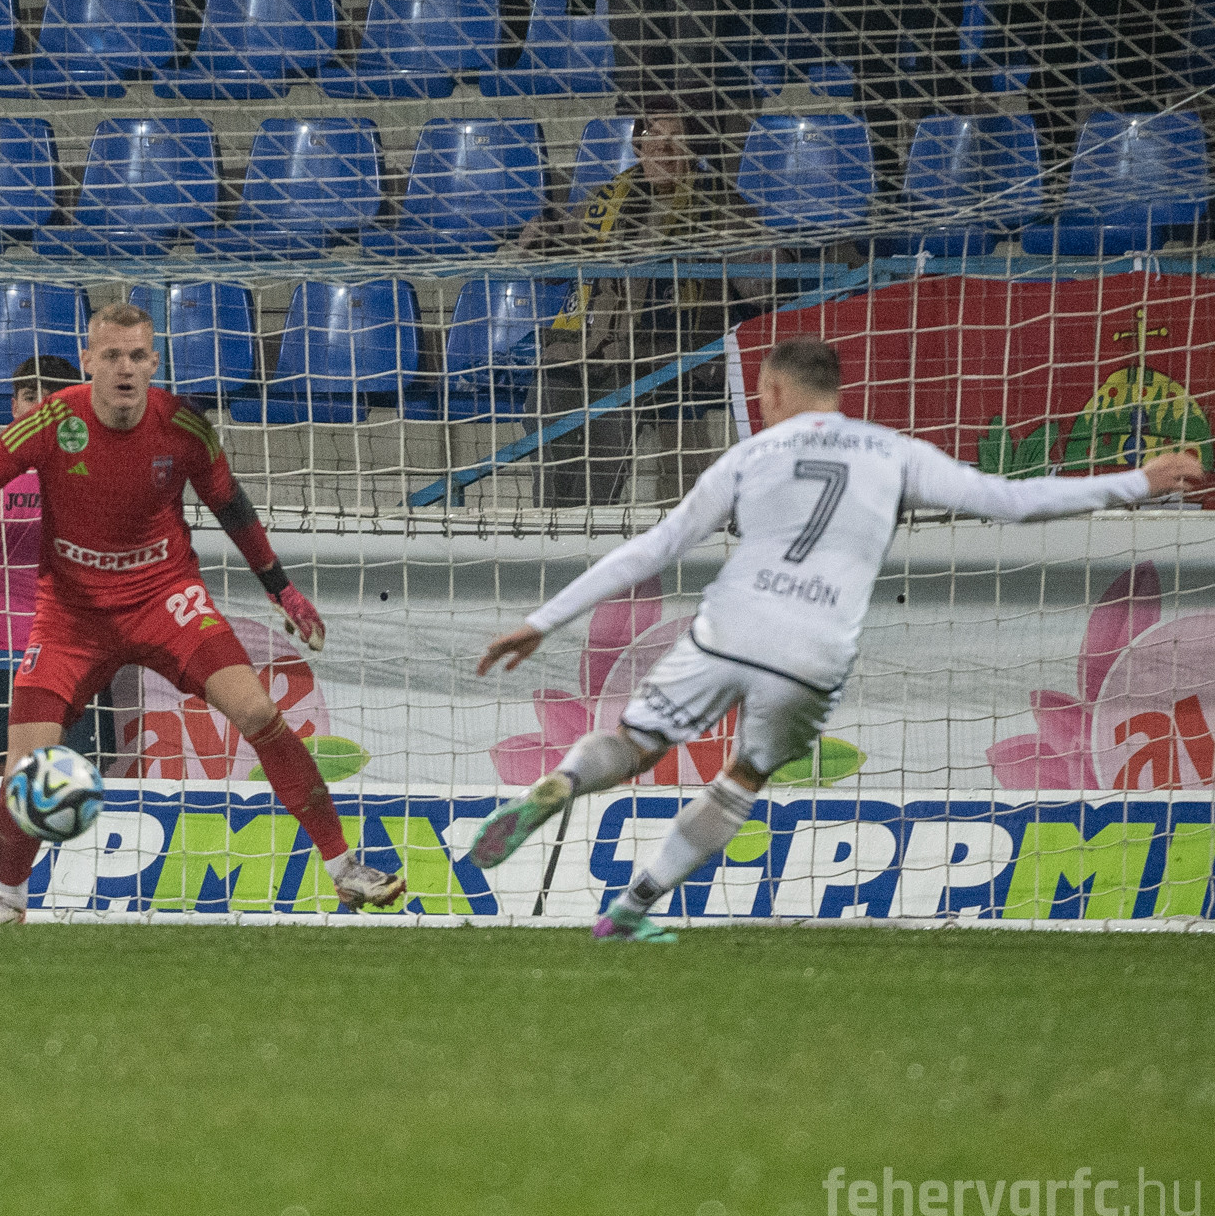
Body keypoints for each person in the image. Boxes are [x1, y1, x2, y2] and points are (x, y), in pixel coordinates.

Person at [470, 336, 1205, 941]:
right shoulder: (894, 452)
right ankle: (632, 907)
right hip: (813, 647)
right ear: (834, 391)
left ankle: (561, 783)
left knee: (636, 743)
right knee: (744, 776)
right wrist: (1137, 482)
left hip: (729, 627)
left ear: (773, 391)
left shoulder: (749, 456)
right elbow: (1011, 501)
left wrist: (541, 622)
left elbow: (654, 549)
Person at [0, 302, 406, 923]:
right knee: (24, 769)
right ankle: (8, 899)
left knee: (259, 712)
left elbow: (232, 506)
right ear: (88, 362)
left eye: (136, 356)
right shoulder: (52, 420)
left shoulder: (183, 427)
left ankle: (345, 870)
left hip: (166, 601)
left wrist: (280, 589)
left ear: (154, 362)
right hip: (72, 616)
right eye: (111, 356)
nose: (124, 368)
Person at [521, 108, 768, 507]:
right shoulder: (608, 197)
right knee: (549, 391)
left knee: (614, 405)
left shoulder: (720, 205)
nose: (661, 148)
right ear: (638, 147)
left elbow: (763, 286)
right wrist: (540, 239)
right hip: (587, 349)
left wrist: (755, 255)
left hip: (666, 357)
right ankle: (553, 520)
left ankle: (588, 522)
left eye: (674, 138)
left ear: (694, 148)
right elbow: (553, 262)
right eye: (652, 136)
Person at [0, 354, 106, 772]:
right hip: (3, 649)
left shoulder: (98, 472)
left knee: (75, 772)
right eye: (31, 396)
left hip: (75, 651)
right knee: (1, 769)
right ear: (14, 405)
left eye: (54, 397)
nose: (41, 406)